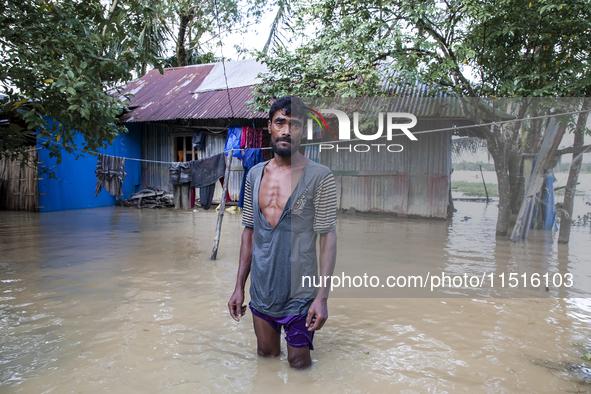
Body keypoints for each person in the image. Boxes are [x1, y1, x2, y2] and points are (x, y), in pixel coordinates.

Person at [227, 96, 338, 370]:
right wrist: (239, 287)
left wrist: (322, 297)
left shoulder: (320, 176)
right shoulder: (254, 174)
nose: (287, 131)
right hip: (263, 291)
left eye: (295, 125)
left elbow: (327, 238)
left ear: (303, 131)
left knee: (299, 363)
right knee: (266, 359)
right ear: (270, 127)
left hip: (301, 294)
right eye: (280, 122)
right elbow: (249, 233)